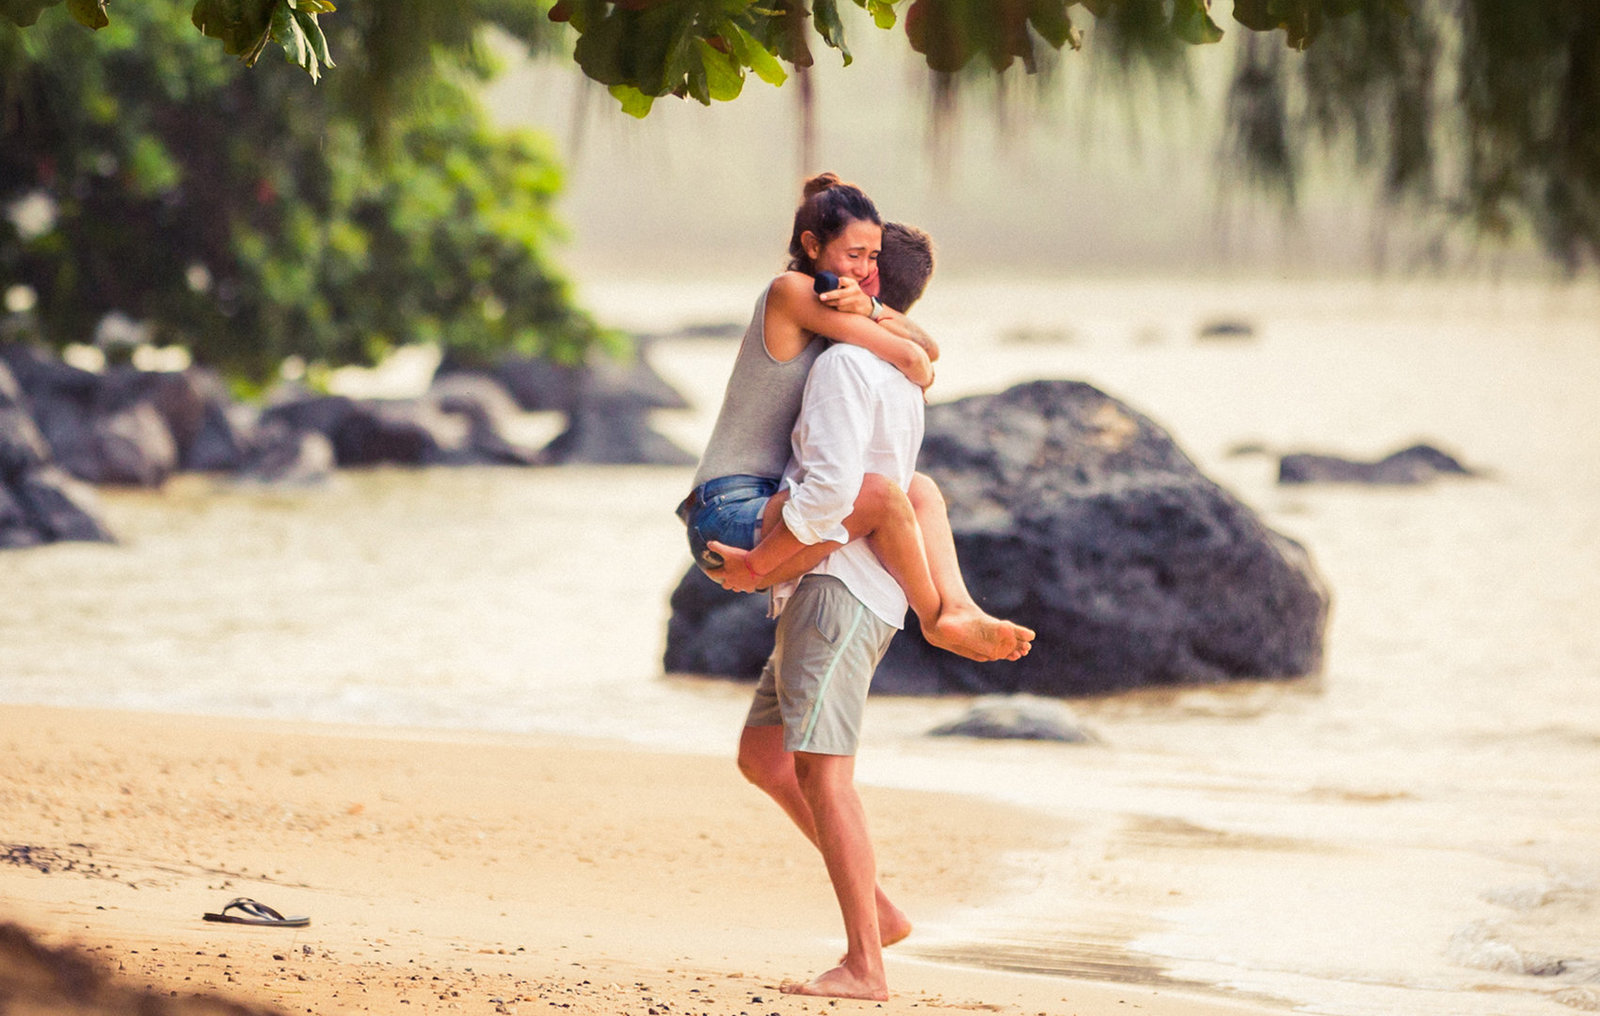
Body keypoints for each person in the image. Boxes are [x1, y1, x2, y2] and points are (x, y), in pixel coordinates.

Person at [677, 173, 1031, 662]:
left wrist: (873, 307)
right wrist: (759, 567)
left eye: (872, 257)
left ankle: (961, 606)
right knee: (882, 497)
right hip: (727, 512)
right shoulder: (790, 291)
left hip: (765, 502)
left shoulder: (835, 307)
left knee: (921, 490)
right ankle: (933, 620)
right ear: (812, 245)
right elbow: (915, 360)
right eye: (854, 254)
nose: (864, 268)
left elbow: (928, 347)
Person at [731, 228, 949, 999]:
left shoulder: (849, 366)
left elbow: (836, 493)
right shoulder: (889, 363)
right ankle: (880, 915)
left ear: (869, 279)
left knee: (827, 775)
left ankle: (864, 965)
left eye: (861, 259)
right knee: (764, 757)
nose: (843, 267)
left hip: (836, 587)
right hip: (827, 585)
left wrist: (763, 558)